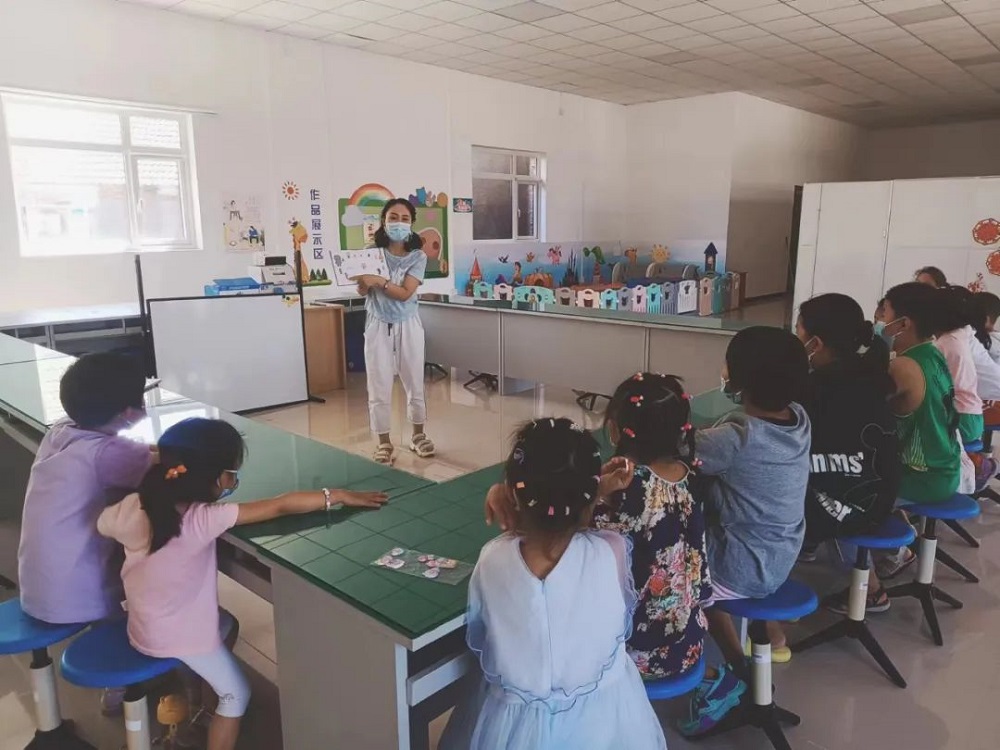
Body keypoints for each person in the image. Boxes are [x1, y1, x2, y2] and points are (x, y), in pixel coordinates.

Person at [98, 418, 388, 750]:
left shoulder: (133, 507)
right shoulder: (203, 519)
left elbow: (103, 524)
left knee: (228, 625)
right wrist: (337, 495)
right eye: (232, 475)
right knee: (237, 694)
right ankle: (212, 713)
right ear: (213, 478)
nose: (233, 482)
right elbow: (279, 505)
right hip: (177, 636)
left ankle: (199, 705)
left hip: (141, 624)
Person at [441, 419, 667, 750]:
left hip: (512, 727)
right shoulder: (612, 550)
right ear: (589, 502)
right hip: (601, 725)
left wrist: (516, 499)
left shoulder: (492, 559)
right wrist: (592, 492)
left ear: (514, 495)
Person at [681, 327, 811, 738]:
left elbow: (679, 448)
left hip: (744, 566)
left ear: (741, 379)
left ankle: (733, 670)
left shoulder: (737, 436)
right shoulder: (799, 419)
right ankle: (757, 649)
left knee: (679, 582)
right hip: (782, 554)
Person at [17, 353, 155, 713]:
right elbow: (160, 463)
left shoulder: (60, 431)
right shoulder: (111, 453)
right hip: (76, 596)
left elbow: (138, 452)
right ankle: (120, 684)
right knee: (138, 581)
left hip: (35, 585)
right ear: (130, 413)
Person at [593, 373, 712, 681]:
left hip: (636, 655)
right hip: (689, 644)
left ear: (614, 430)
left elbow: (580, 541)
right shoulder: (692, 477)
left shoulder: (625, 491)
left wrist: (595, 494)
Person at [793, 294, 901, 613]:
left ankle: (869, 590)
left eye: (798, 332)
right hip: (881, 494)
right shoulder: (872, 375)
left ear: (815, 343)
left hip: (850, 505)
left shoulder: (816, 389)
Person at [869, 283, 960, 585]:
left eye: (885, 312)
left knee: (842, 492)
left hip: (922, 477)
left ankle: (871, 589)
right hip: (945, 468)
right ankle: (899, 548)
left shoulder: (903, 366)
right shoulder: (931, 353)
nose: (879, 319)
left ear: (904, 323)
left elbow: (864, 407)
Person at [353, 198, 434, 465]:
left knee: (414, 381)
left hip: (408, 323)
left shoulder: (418, 256)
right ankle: (384, 442)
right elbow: (363, 289)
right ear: (384, 221)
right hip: (377, 323)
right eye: (393, 218)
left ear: (411, 223)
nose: (398, 223)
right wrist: (363, 284)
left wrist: (380, 281)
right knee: (378, 383)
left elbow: (406, 292)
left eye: (404, 219)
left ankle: (418, 435)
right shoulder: (371, 252)